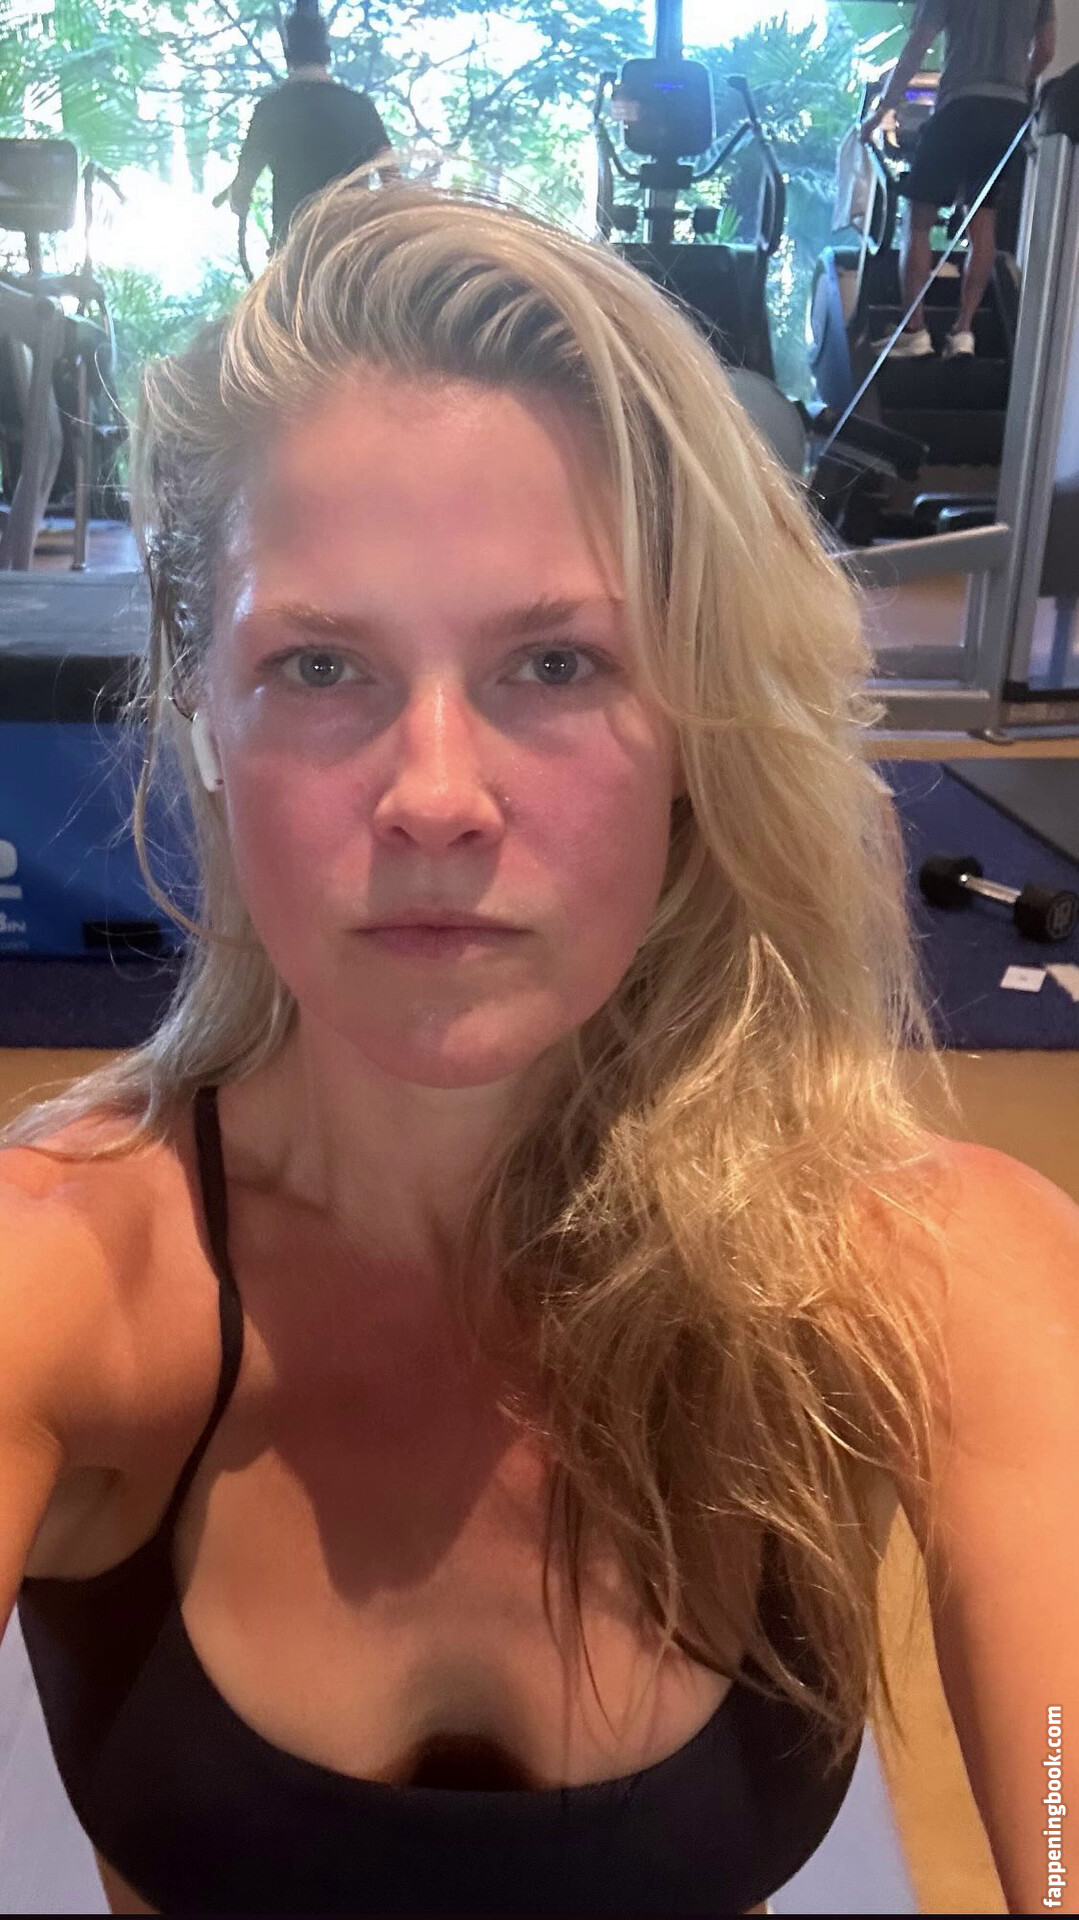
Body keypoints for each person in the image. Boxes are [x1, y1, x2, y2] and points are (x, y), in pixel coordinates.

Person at [2, 171, 1077, 1917]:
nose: (434, 794)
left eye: (555, 664)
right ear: (202, 713)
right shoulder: (54, 1282)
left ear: (695, 721)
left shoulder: (936, 1278)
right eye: (323, 668)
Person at [859, 0, 1058, 359]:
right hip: (1010, 111)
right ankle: (964, 331)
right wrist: (1016, 83)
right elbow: (1045, 51)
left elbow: (918, 45)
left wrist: (883, 109)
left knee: (919, 218)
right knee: (984, 218)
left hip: (960, 104)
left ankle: (915, 331)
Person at [225, 0, 399, 252]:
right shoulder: (359, 106)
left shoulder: (270, 109)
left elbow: (242, 190)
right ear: (327, 54)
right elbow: (393, 181)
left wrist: (237, 200)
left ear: (289, 56)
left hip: (295, 251)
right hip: (352, 248)